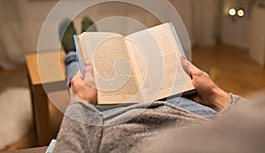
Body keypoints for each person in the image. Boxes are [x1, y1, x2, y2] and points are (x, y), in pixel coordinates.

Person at [53, 19, 264, 153]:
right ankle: (90, 48)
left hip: (111, 119)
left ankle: (74, 53)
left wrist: (80, 104)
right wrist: (216, 95)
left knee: (82, 80)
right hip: (183, 106)